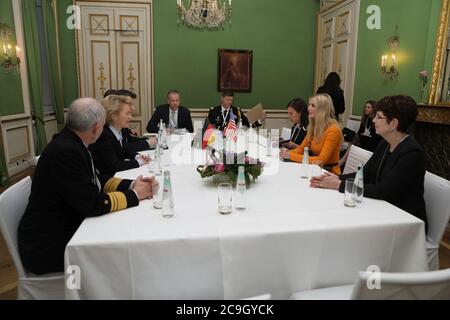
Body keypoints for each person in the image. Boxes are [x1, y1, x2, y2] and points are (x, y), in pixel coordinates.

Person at [18, 98, 158, 275]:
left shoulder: (73, 142)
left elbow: (96, 179)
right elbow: (91, 204)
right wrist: (135, 195)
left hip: (63, 227)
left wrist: (132, 185)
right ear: (96, 127)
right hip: (49, 247)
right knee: (123, 253)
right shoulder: (66, 152)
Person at [310, 95, 428, 231]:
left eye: (378, 117)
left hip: (405, 221)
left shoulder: (412, 153)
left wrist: (340, 185)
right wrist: (337, 178)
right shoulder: (384, 144)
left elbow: (384, 190)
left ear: (394, 123)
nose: (374, 120)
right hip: (382, 209)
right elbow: (364, 174)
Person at [280, 94, 343, 174]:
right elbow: (301, 149)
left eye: (313, 105)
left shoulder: (333, 130)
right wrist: (287, 153)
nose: (309, 108)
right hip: (314, 169)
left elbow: (321, 160)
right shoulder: (313, 128)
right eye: (309, 105)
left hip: (328, 173)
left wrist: (290, 156)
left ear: (322, 109)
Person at [90, 95, 152, 176]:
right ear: (114, 116)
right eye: (127, 113)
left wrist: (137, 156)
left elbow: (123, 149)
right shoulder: (104, 135)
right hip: (108, 179)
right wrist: (140, 162)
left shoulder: (119, 130)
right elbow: (115, 165)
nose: (131, 117)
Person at [104, 89, 156, 154]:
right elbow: (124, 148)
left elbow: (129, 140)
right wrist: (148, 142)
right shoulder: (107, 132)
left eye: (132, 104)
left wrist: (147, 139)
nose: (133, 107)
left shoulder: (120, 125)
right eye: (129, 103)